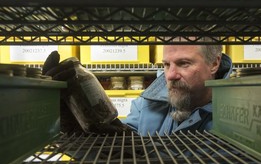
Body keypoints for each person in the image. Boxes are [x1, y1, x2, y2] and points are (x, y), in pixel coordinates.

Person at [43, 44, 232, 136]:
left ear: (214, 63)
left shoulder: (236, 115)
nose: (170, 75)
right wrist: (80, 134)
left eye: (183, 63)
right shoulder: (148, 102)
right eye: (166, 65)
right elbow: (118, 160)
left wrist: (139, 156)